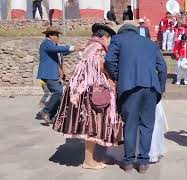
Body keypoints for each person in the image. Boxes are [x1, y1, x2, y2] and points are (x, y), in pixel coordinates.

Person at [53, 23, 123, 170]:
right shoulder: (98, 49)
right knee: (91, 126)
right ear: (104, 37)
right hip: (91, 93)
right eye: (109, 39)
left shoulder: (89, 46)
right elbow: (98, 67)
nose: (110, 42)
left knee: (89, 126)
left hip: (81, 90)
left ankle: (92, 158)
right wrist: (110, 77)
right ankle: (89, 161)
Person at [105, 22, 167, 173]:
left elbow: (109, 61)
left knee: (130, 124)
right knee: (147, 126)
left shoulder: (118, 40)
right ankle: (144, 162)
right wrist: (161, 87)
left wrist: (120, 77)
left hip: (130, 89)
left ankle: (128, 162)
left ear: (122, 31)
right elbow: (163, 67)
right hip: (151, 89)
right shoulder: (150, 43)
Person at [37, 26, 80, 124]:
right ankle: (45, 111)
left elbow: (61, 52)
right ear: (51, 35)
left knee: (60, 95)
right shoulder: (47, 44)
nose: (58, 37)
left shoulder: (53, 46)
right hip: (49, 74)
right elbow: (57, 49)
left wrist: (75, 49)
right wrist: (73, 47)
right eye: (57, 35)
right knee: (58, 91)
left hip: (54, 74)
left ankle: (51, 115)